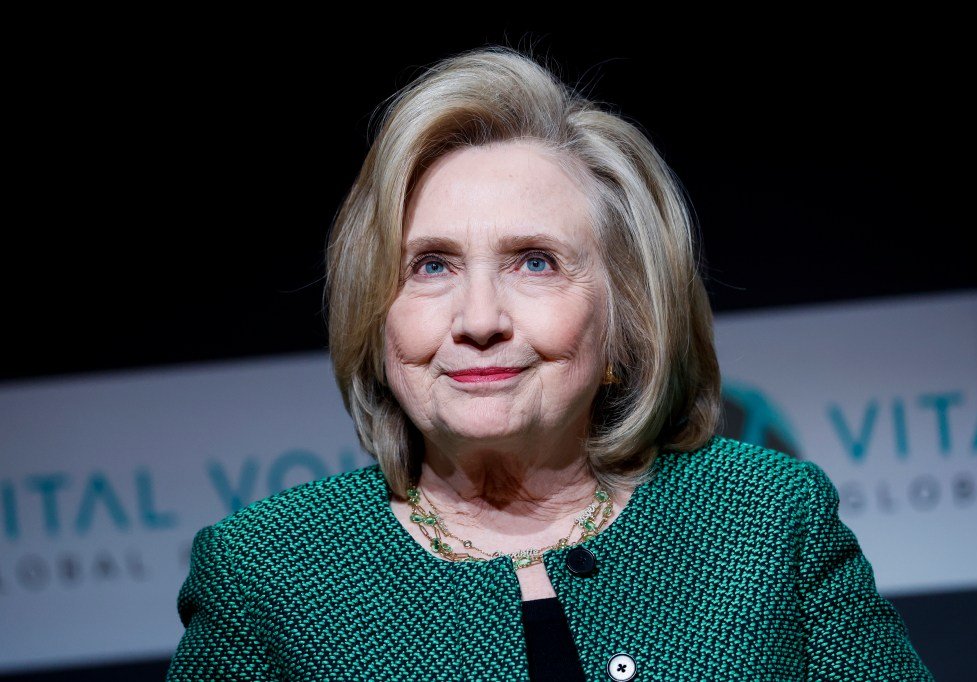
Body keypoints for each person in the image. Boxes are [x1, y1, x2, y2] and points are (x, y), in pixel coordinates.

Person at [165, 45, 934, 681]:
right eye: (430, 266)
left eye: (534, 263)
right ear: (375, 311)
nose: (478, 321)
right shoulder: (266, 571)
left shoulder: (766, 517)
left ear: (628, 311)